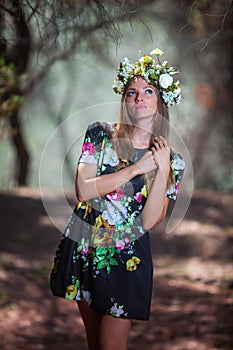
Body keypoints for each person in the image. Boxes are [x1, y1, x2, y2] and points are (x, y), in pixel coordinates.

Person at [50, 48, 185, 350]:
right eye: (131, 92)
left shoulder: (173, 161)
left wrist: (161, 168)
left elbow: (149, 221)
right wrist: (137, 168)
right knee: (95, 343)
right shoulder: (99, 134)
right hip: (85, 247)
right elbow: (84, 190)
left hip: (127, 259)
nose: (139, 97)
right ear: (124, 100)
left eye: (148, 91)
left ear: (161, 100)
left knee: (111, 344)